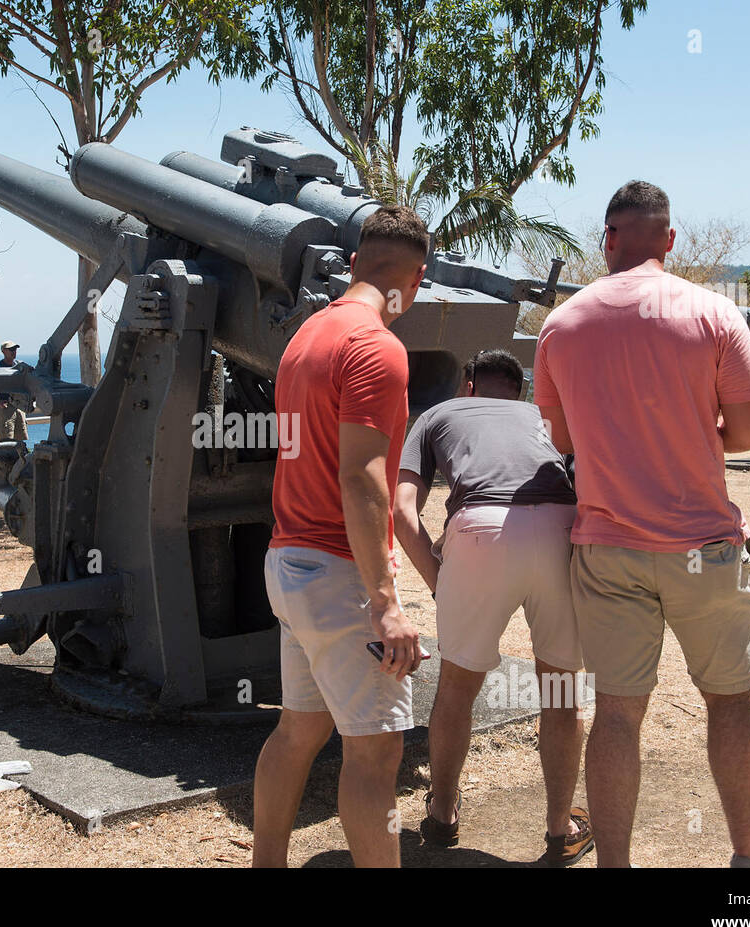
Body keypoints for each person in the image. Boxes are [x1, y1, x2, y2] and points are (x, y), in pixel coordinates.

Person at [534, 180, 750, 868]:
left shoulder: (562, 324)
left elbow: (560, 439)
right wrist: (694, 435)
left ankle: (615, 864)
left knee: (617, 712)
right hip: (704, 546)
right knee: (730, 703)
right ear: (670, 239)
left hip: (608, 547)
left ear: (607, 237)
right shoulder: (713, 313)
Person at [252, 206, 428, 868]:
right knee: (376, 752)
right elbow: (361, 478)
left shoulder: (306, 338)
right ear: (415, 279)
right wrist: (384, 600)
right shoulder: (377, 348)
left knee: (299, 728)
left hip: (290, 560)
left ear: (354, 264)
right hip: (338, 576)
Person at [394, 348, 593, 865]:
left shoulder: (437, 414)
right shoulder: (543, 417)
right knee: (561, 689)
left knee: (458, 686)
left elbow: (400, 511)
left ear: (467, 385)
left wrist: (440, 581)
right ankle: (559, 829)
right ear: (521, 390)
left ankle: (441, 815)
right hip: (559, 526)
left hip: (479, 528)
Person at [0, 340, 28, 441]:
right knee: (6, 441)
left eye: (15, 349)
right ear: (3, 351)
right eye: (11, 349)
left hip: (19, 407)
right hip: (6, 407)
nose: (14, 352)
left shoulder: (19, 365)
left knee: (20, 441)